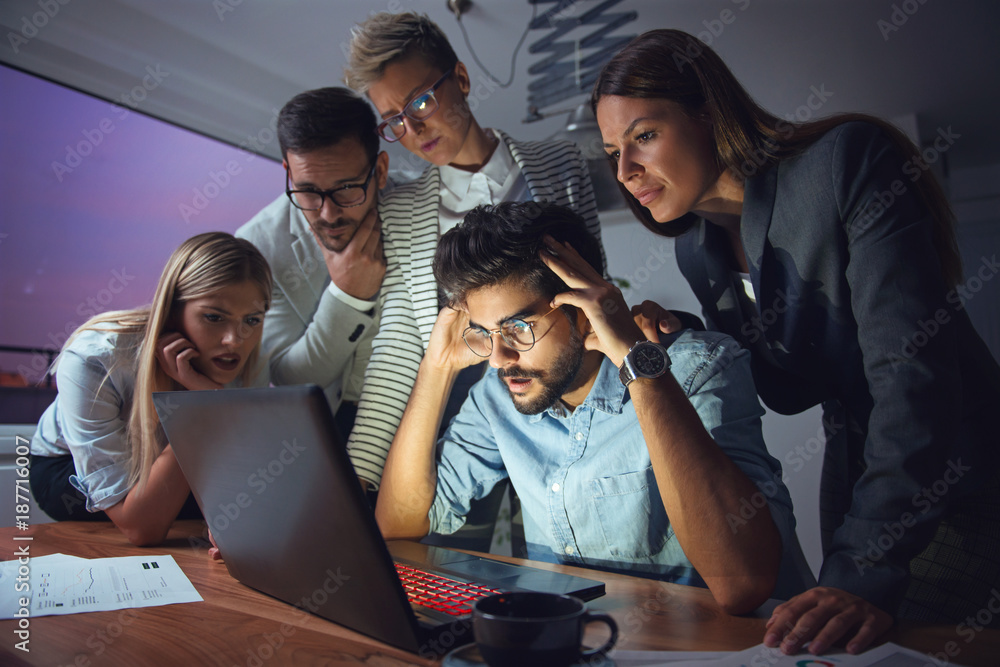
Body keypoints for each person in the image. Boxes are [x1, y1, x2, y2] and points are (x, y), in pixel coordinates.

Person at [592, 29, 1000, 655]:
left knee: (900, 646)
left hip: (954, 459)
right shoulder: (697, 248)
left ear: (708, 112)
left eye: (643, 136)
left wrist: (862, 575)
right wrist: (685, 334)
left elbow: (912, 376)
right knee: (829, 641)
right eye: (613, 151)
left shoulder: (845, 162)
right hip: (857, 459)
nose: (625, 171)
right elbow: (788, 389)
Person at [375, 201, 814, 614]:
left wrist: (637, 366)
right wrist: (436, 369)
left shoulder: (696, 368)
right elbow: (397, 526)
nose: (498, 358)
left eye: (519, 328)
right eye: (485, 333)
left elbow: (742, 583)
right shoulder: (499, 395)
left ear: (584, 308)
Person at [342, 12, 608, 490]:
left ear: (460, 79)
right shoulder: (400, 210)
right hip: (463, 423)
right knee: (456, 554)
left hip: (564, 398)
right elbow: (401, 347)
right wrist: (355, 477)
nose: (414, 130)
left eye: (420, 101)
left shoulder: (560, 163)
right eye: (394, 121)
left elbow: (593, 289)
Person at [29, 232, 272, 546]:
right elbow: (142, 529)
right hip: (68, 471)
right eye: (214, 317)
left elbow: (248, 478)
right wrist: (202, 407)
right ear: (171, 308)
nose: (235, 340)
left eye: (252, 319)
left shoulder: (251, 359)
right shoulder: (95, 358)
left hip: (172, 463)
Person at [236, 87, 387, 441]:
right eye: (308, 191)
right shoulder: (257, 246)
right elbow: (288, 376)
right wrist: (348, 297)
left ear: (380, 170)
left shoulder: (428, 210)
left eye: (347, 188)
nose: (328, 213)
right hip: (320, 434)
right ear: (288, 172)